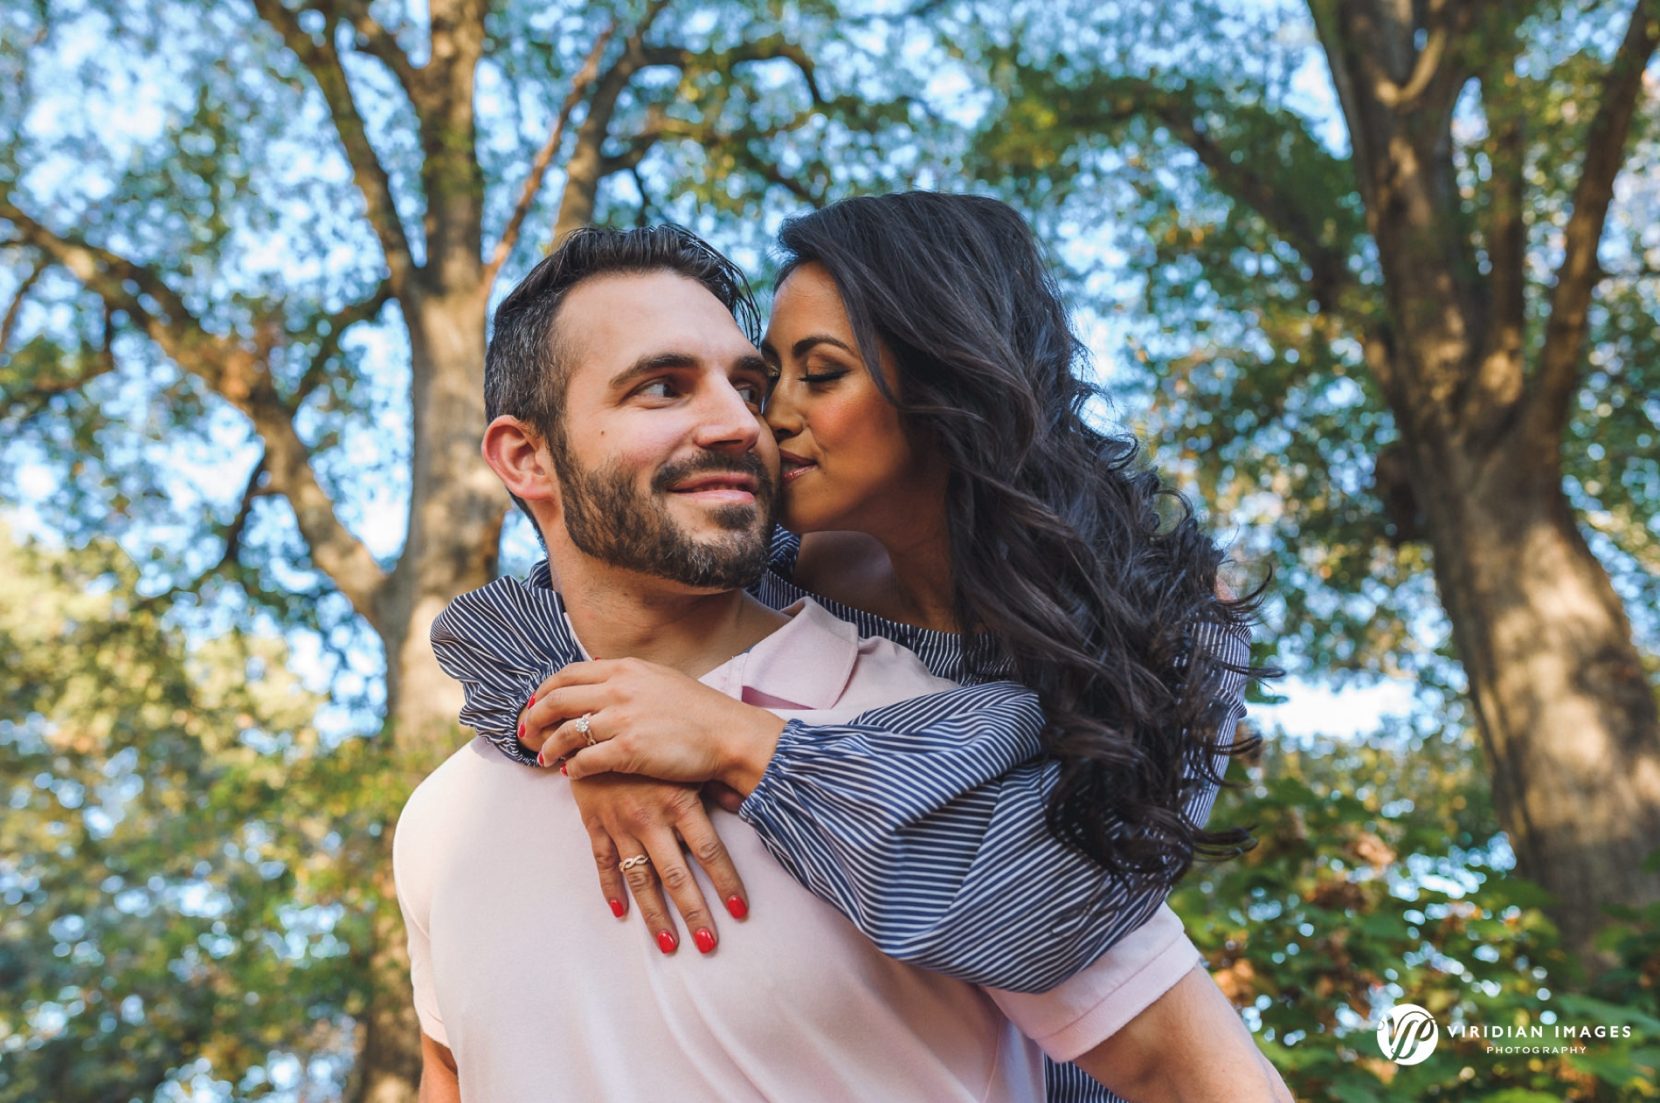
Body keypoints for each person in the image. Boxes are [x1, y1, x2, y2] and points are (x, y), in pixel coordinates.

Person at [402, 224, 1288, 1102]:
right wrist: (587, 737)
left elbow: (1088, 921)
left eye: (803, 378)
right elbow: (509, 614)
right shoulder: (798, 565)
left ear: (950, 388)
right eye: (670, 386)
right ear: (524, 456)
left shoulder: (1156, 640)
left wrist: (744, 743)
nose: (757, 420)